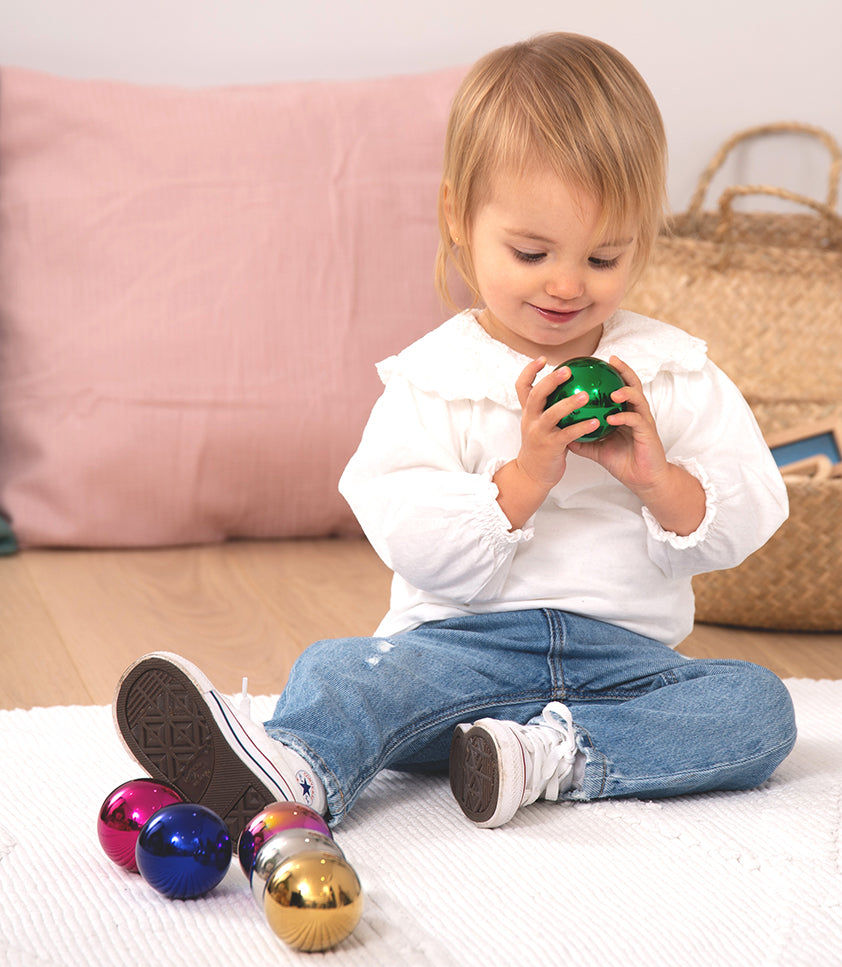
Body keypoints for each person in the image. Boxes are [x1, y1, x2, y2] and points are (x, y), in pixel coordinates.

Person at [114, 32, 796, 840]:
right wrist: (525, 478)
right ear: (459, 218)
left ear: (643, 240)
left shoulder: (671, 372)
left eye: (604, 257)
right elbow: (406, 530)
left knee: (758, 708)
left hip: (621, 666)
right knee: (339, 670)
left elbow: (752, 506)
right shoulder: (436, 376)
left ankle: (543, 759)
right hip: (456, 658)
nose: (568, 284)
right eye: (532, 251)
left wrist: (659, 479)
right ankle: (296, 768)